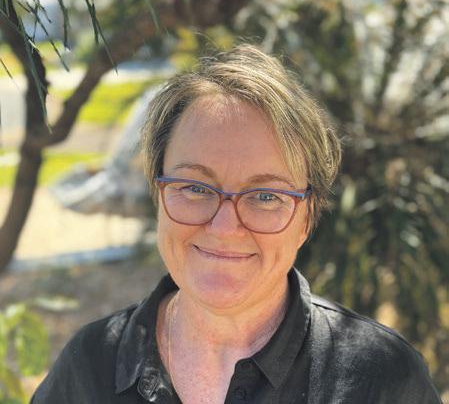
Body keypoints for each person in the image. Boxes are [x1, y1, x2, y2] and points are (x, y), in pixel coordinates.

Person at [31, 44, 442, 404]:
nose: (225, 228)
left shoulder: (382, 380)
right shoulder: (88, 368)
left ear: (307, 218)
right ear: (158, 195)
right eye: (195, 188)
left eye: (265, 196)